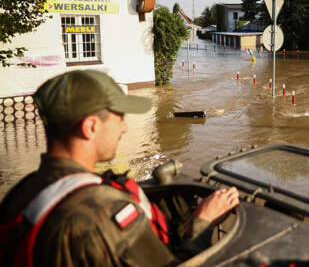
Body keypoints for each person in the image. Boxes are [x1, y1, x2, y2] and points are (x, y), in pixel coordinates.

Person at [0, 70, 239, 266]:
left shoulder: (23, 191)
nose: (124, 128)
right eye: (119, 118)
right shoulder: (104, 209)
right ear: (90, 127)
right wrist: (204, 222)